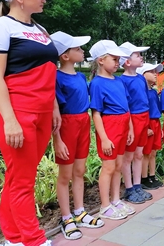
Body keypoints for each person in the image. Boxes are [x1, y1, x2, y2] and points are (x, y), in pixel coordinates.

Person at [0, 0, 59, 246]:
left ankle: (13, 237)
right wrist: (10, 121)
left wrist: (52, 109)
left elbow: (48, 72)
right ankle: (33, 240)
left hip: (41, 113)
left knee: (19, 177)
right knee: (24, 181)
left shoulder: (40, 30)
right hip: (16, 113)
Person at [50, 31, 104, 240]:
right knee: (65, 175)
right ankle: (66, 217)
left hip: (82, 122)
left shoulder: (81, 76)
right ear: (65, 56)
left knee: (79, 170)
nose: (82, 51)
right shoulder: (56, 77)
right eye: (78, 49)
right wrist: (58, 139)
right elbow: (54, 113)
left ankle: (79, 211)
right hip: (66, 125)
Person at [88, 40, 135, 220]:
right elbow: (96, 113)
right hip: (109, 127)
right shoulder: (97, 83)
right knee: (108, 166)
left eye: (118, 59)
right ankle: (105, 205)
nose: (118, 63)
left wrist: (130, 128)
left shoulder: (119, 81)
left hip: (123, 126)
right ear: (101, 60)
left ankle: (116, 200)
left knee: (118, 165)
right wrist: (104, 138)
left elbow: (126, 106)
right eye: (114, 59)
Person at [118, 42, 153, 204]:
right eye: (137, 55)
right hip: (132, 120)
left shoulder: (140, 78)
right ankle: (129, 188)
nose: (141, 57)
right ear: (127, 61)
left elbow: (146, 99)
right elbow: (125, 104)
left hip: (144, 118)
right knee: (128, 156)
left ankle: (138, 185)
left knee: (139, 154)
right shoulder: (122, 81)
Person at [137, 63, 164, 190]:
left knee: (153, 152)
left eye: (155, 71)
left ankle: (152, 176)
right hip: (147, 124)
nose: (155, 73)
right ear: (143, 74)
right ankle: (144, 178)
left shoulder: (153, 92)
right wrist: (146, 127)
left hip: (156, 123)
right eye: (151, 71)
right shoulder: (141, 93)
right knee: (146, 153)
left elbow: (157, 109)